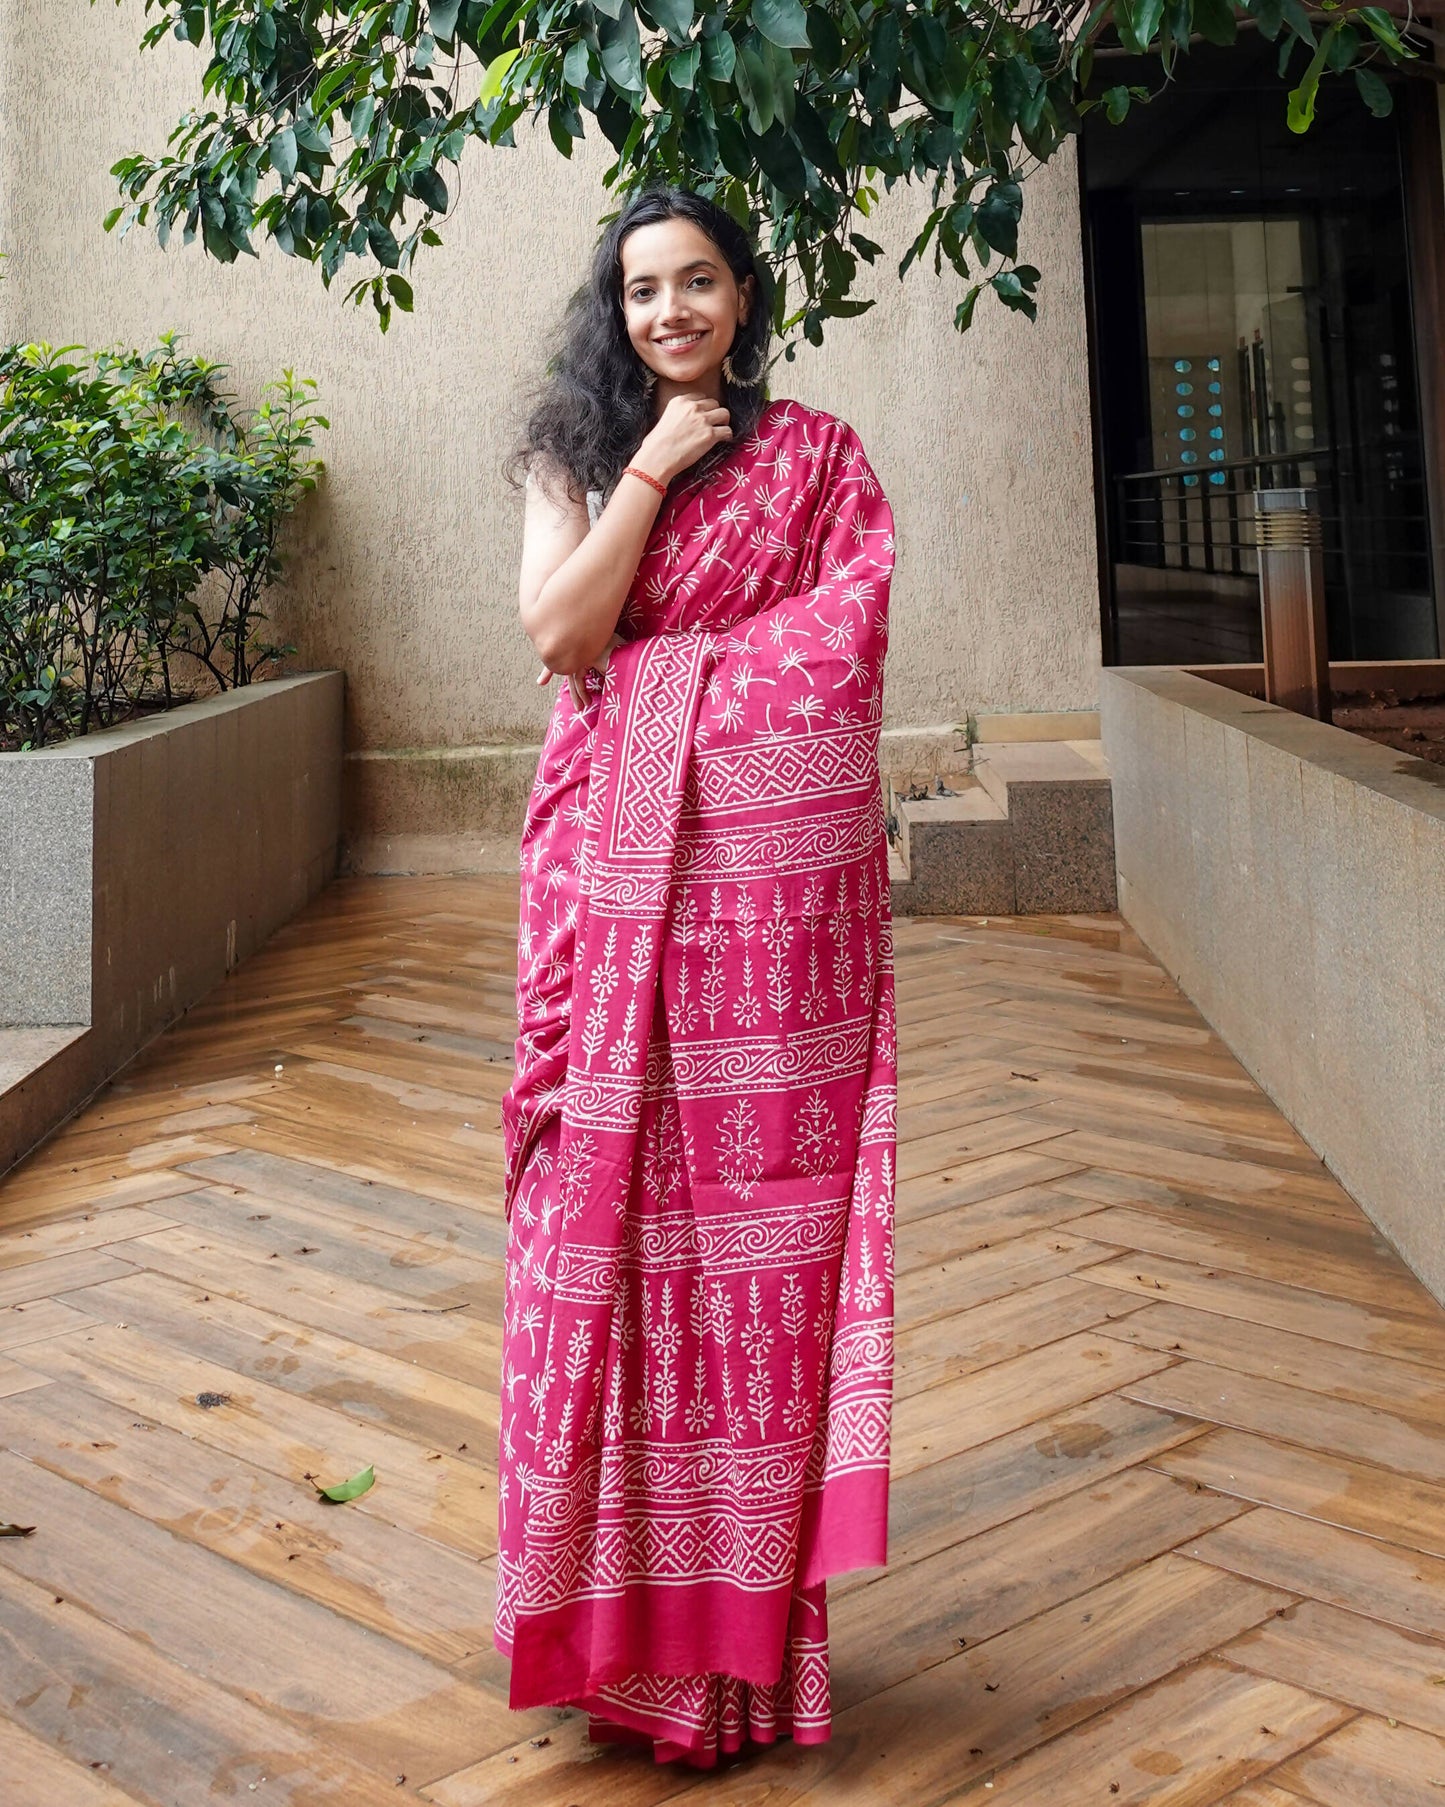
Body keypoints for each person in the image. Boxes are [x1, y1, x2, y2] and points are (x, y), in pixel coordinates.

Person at [496, 184, 897, 1768]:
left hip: (764, 952)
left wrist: (671, 695)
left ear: (744, 297)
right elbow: (562, 638)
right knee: (589, 1241)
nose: (670, 312)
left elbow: (837, 656)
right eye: (642, 289)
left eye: (699, 284)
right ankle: (605, 1643)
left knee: (752, 1265)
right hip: (601, 910)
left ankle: (741, 1658)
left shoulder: (818, 465)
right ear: (615, 307)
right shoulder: (571, 453)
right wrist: (652, 474)